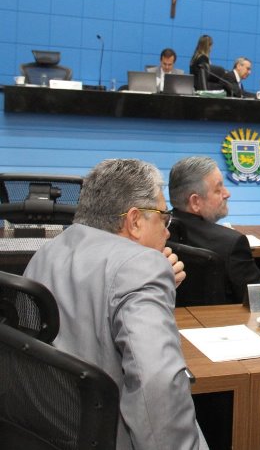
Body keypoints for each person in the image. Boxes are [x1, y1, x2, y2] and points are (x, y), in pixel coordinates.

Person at [23, 159, 208, 450]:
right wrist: (153, 277)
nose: (168, 231)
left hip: (51, 430)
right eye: (163, 217)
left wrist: (158, 286)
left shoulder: (48, 251)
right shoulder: (143, 266)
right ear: (135, 221)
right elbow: (157, 388)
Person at [168, 156, 260, 304]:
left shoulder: (156, 235)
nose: (227, 193)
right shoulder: (233, 243)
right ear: (195, 202)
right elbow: (258, 300)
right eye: (218, 189)